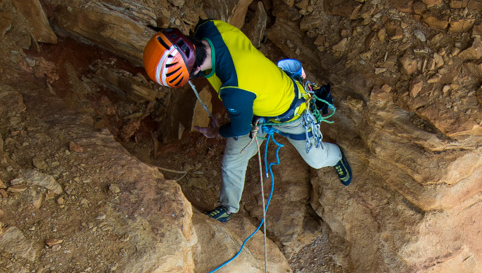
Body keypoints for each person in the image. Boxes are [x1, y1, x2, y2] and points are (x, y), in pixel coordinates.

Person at [143, 21, 352, 223]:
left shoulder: (234, 90)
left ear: (193, 72)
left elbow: (241, 129)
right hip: (258, 104)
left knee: (316, 159)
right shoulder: (211, 28)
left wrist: (216, 132)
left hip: (291, 112)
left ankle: (336, 157)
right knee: (233, 159)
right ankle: (228, 208)